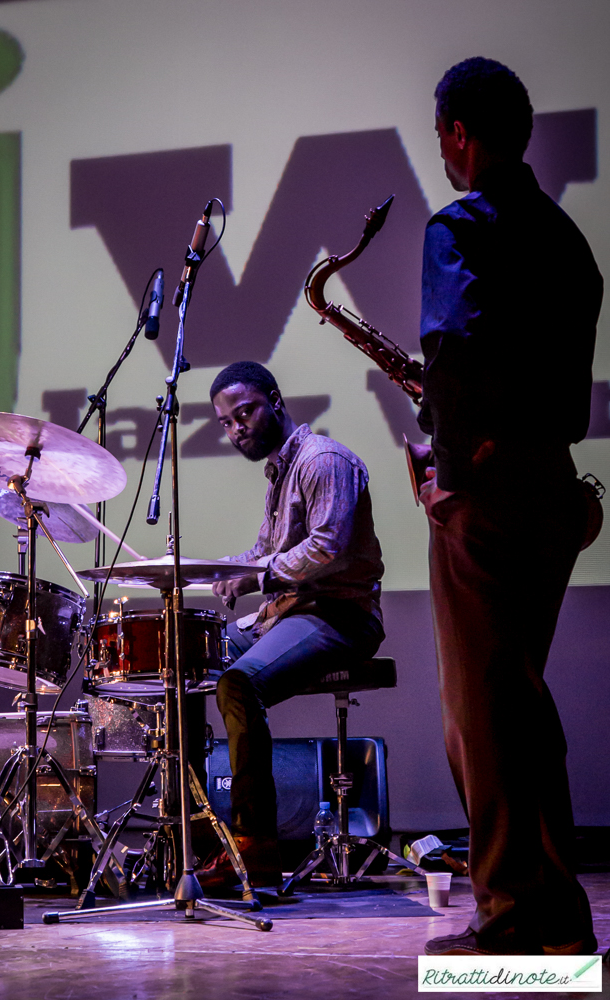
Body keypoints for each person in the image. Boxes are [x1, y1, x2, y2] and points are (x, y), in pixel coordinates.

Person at [418, 58, 603, 956]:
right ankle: (557, 915)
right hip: (553, 486)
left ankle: (510, 915)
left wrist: (447, 466)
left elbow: (453, 342)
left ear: (459, 132)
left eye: (440, 133)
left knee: (481, 719)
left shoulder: (459, 224)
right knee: (519, 704)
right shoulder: (567, 238)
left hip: (483, 489)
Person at [196, 361, 384, 890]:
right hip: (292, 612)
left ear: (275, 401)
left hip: (341, 616)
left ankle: (256, 843)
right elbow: (265, 551)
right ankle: (197, 828)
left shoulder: (323, 460)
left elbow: (326, 547)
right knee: (187, 663)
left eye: (246, 412)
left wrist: (255, 576)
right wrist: (220, 571)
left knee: (238, 682)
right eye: (227, 423)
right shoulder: (282, 471)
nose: (237, 429)